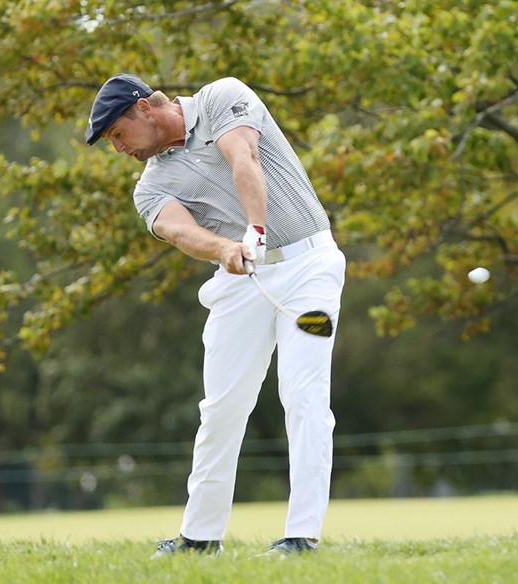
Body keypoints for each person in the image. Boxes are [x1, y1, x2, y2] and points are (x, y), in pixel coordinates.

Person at [85, 73, 346, 558]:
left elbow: (242, 157)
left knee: (304, 396)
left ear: (145, 108)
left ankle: (301, 536)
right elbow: (180, 231)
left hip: (310, 266)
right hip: (241, 281)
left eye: (118, 135)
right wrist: (226, 247)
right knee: (221, 409)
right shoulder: (150, 187)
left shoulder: (223, 96)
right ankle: (201, 537)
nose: (118, 149)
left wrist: (256, 231)